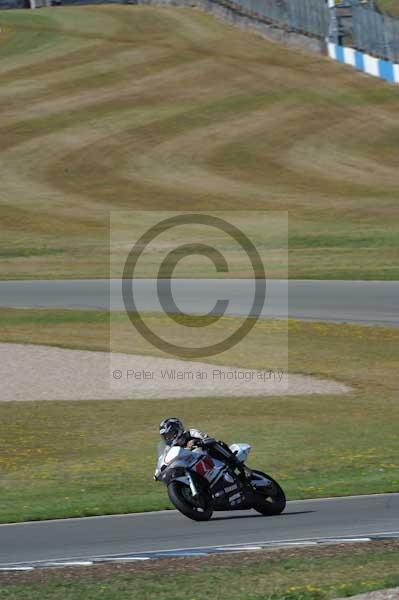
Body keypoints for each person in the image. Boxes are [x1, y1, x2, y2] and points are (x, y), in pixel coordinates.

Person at [159, 417, 250, 480]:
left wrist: (196, 442)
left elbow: (208, 439)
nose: (168, 438)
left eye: (169, 435)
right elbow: (165, 459)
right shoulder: (170, 448)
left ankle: (241, 466)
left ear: (177, 430)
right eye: (166, 436)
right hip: (193, 466)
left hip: (210, 457)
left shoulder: (191, 433)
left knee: (216, 443)